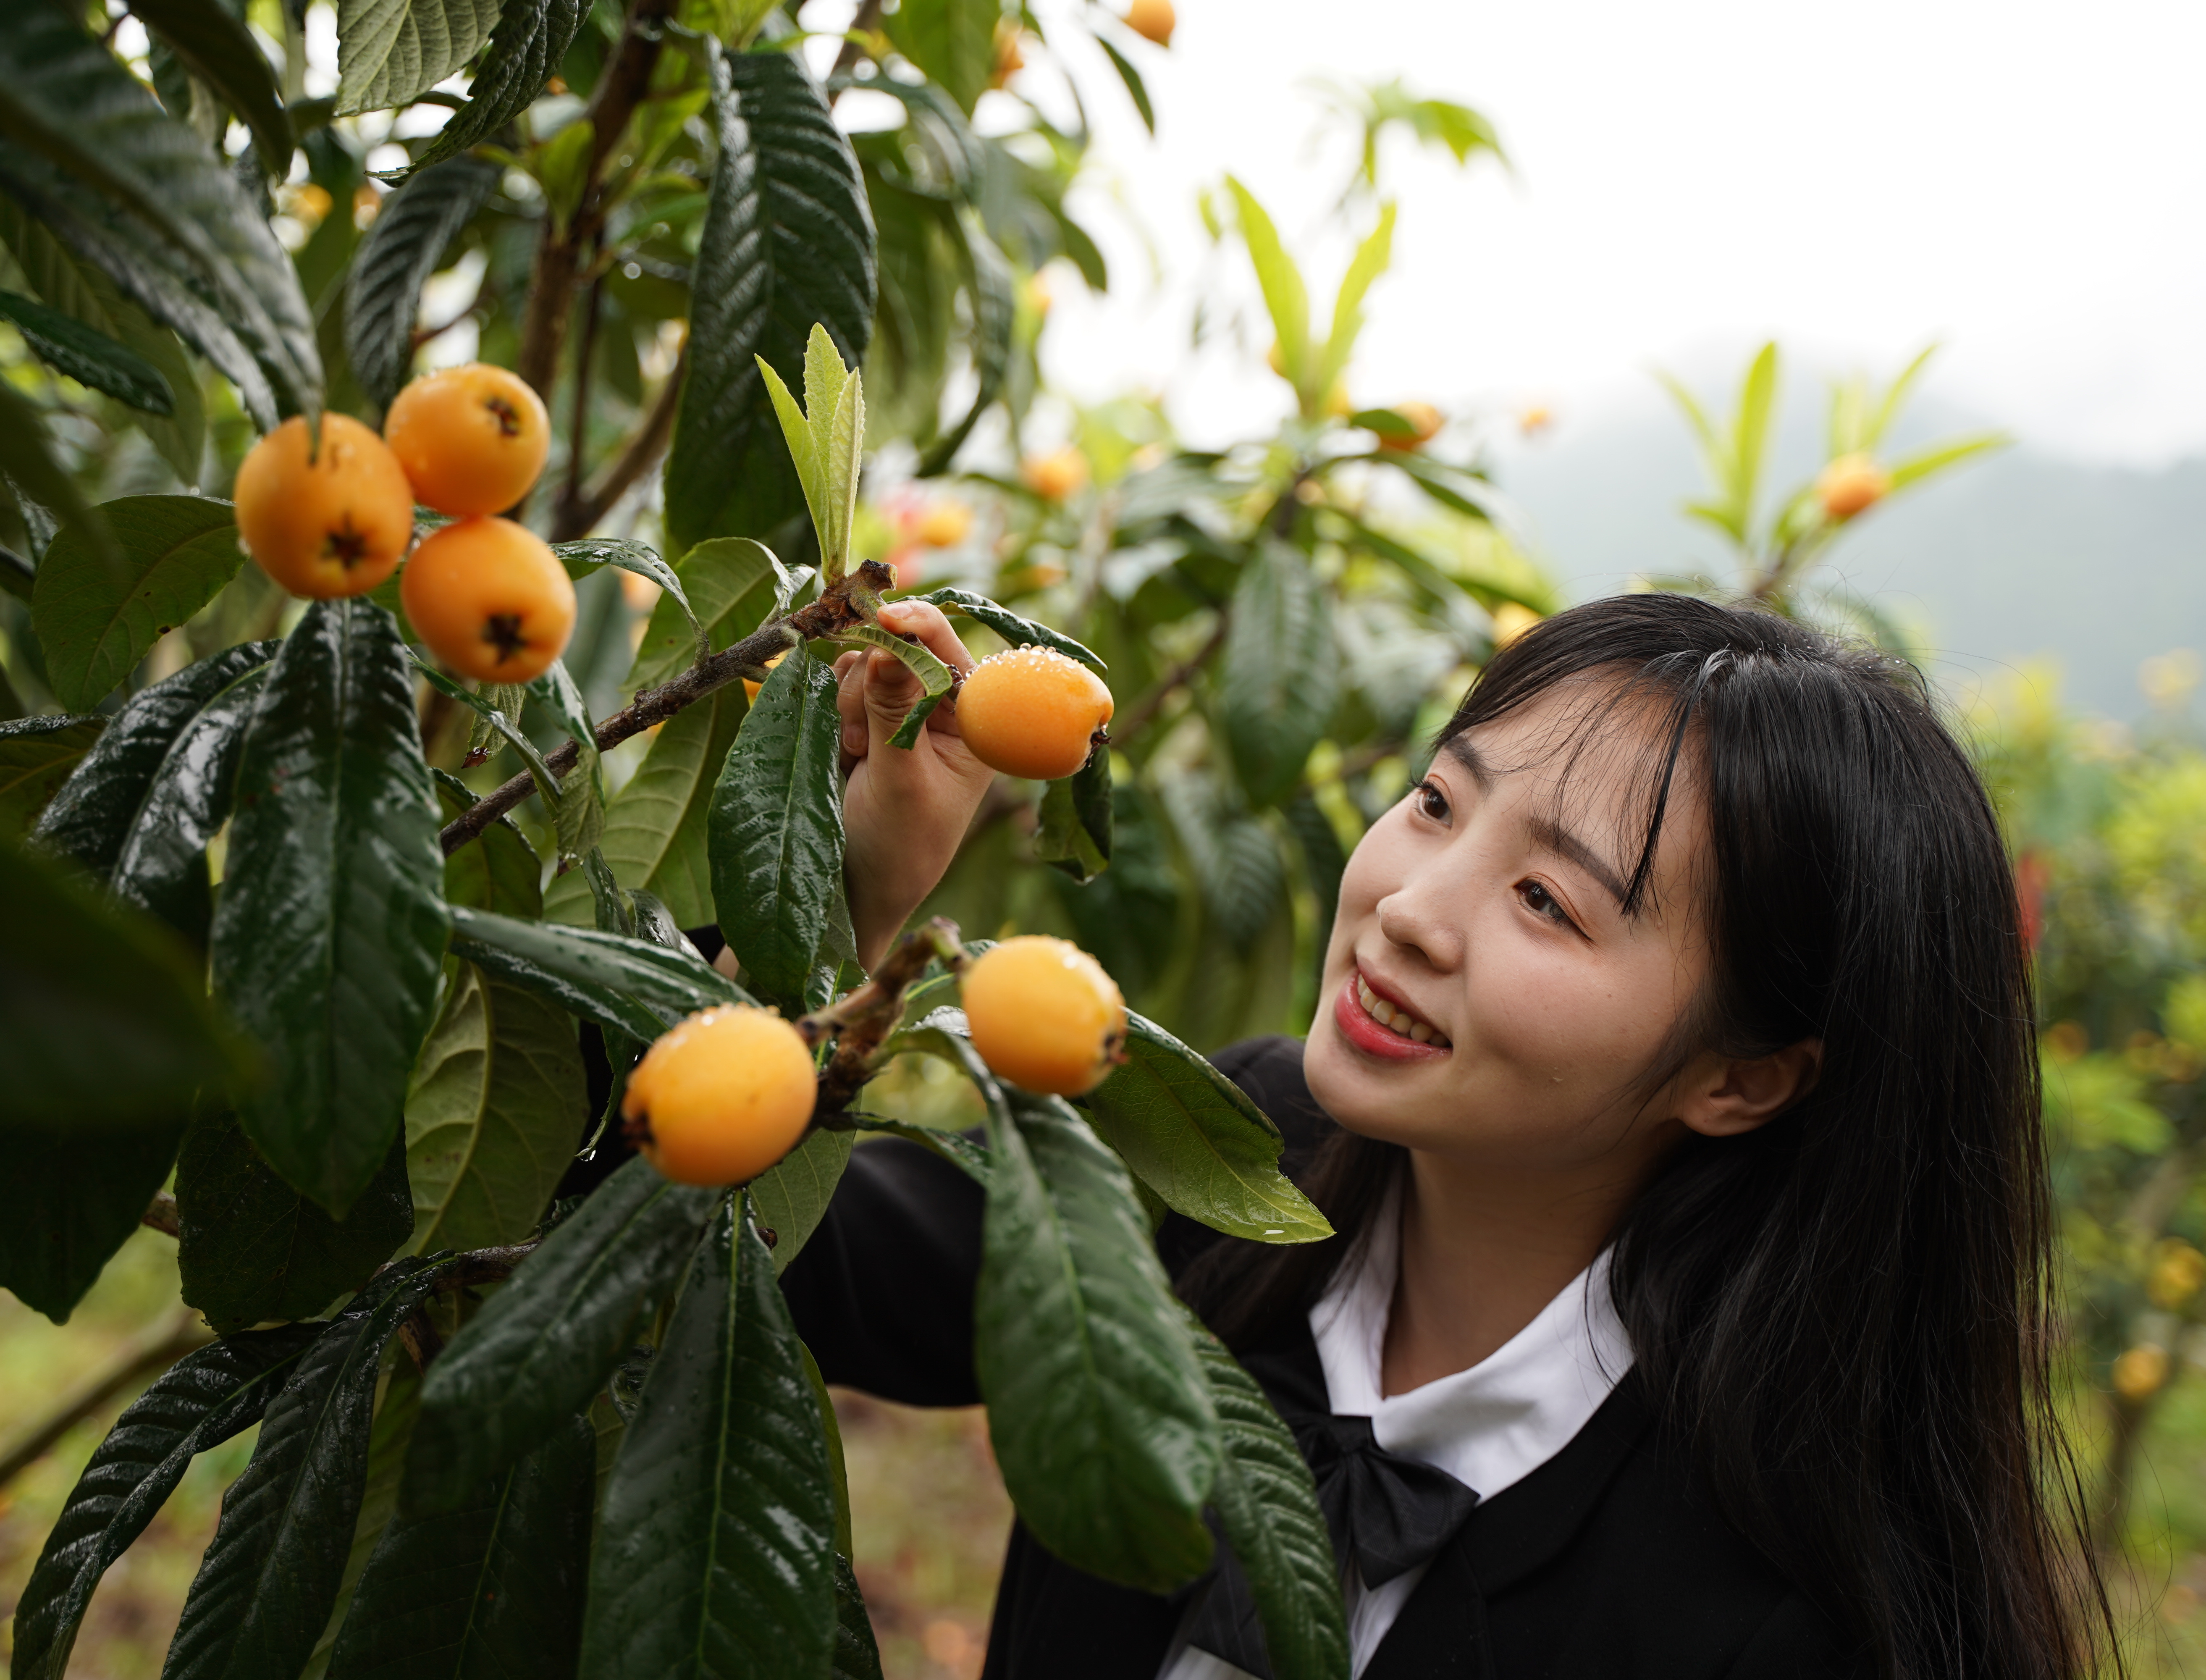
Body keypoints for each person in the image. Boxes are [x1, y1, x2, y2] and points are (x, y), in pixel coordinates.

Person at [787, 591, 2117, 1680]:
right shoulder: (1222, 1153)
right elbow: (754, 1241)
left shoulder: (1774, 1623)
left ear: (1743, 1079)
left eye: (1547, 899)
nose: (1413, 908)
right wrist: (840, 902)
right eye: (1435, 803)